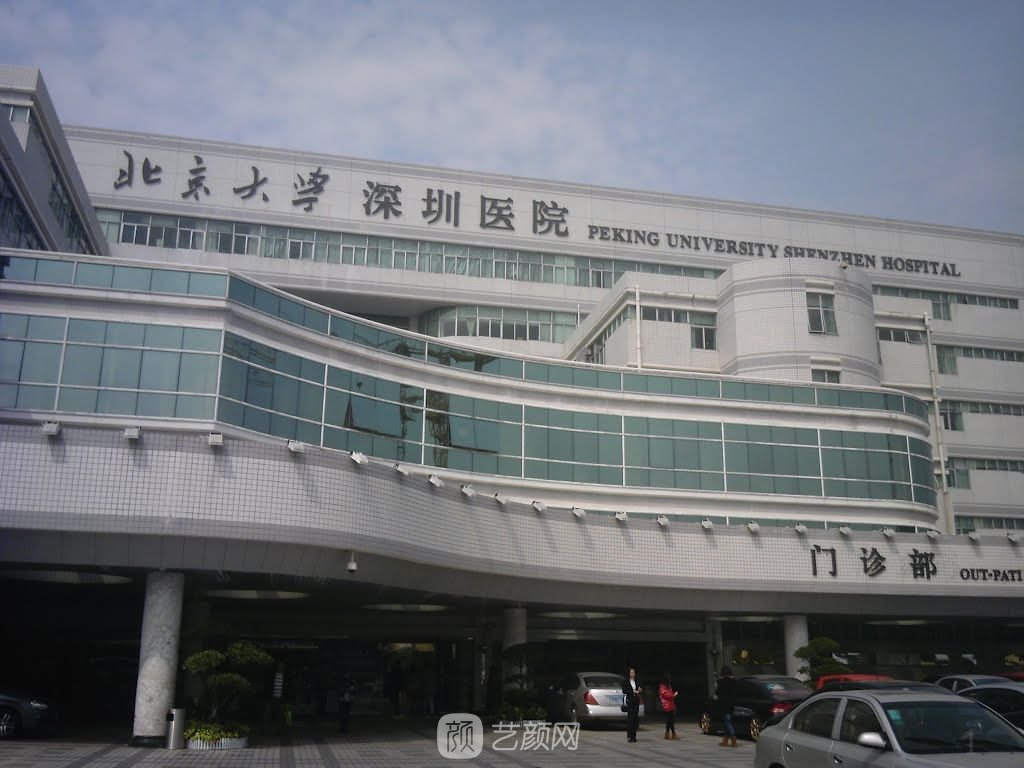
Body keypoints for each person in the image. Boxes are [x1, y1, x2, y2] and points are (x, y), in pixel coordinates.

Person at [715, 666, 738, 747]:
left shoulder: (721, 681)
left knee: (727, 722)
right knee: (727, 722)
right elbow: (735, 693)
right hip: (731, 704)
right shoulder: (734, 681)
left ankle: (734, 740)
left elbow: (717, 692)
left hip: (724, 704)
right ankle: (725, 741)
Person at [621, 667, 643, 743]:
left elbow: (640, 689)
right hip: (630, 700)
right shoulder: (625, 681)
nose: (633, 674)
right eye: (631, 672)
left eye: (634, 672)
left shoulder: (637, 681)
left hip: (636, 700)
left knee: (635, 719)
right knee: (630, 718)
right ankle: (629, 736)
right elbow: (624, 690)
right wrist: (632, 691)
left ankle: (634, 736)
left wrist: (639, 690)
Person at [658, 673, 679, 739]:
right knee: (670, 719)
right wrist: (674, 695)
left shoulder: (668, 686)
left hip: (671, 704)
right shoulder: (662, 687)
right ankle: (671, 733)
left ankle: (669, 733)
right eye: (669, 679)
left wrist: (673, 696)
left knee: (670, 720)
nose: (670, 680)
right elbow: (665, 695)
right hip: (667, 705)